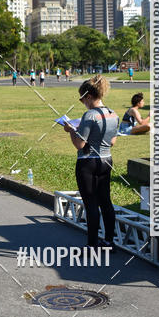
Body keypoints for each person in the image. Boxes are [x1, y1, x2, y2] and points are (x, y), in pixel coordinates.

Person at [63, 75, 118, 248]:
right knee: (106, 202)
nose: (82, 102)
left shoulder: (90, 115)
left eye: (82, 99)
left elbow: (80, 144)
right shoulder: (112, 114)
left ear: (88, 96)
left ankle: (91, 245)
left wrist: (71, 130)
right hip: (106, 159)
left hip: (88, 163)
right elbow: (112, 141)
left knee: (91, 204)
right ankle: (109, 241)